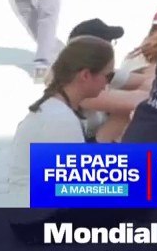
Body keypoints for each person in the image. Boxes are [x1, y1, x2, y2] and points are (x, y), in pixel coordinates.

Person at [7, 36, 115, 196]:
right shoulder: (61, 120)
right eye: (109, 76)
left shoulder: (56, 107)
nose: (108, 84)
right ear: (85, 75)